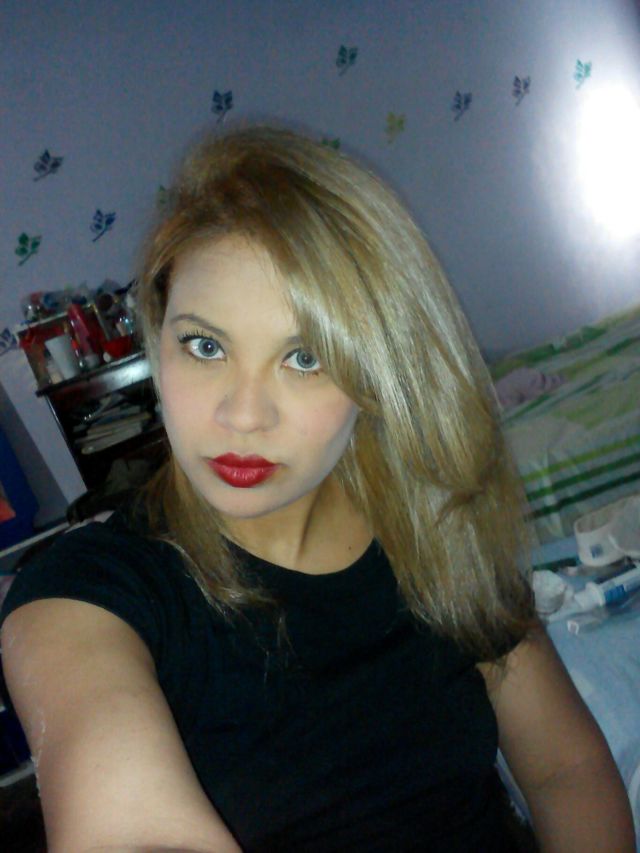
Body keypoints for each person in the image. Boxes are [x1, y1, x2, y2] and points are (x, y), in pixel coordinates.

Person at [0, 125, 634, 853]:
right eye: (205, 345)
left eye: (305, 358)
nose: (243, 415)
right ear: (158, 337)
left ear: (377, 374)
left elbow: (565, 768)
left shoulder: (435, 530)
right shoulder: (84, 594)